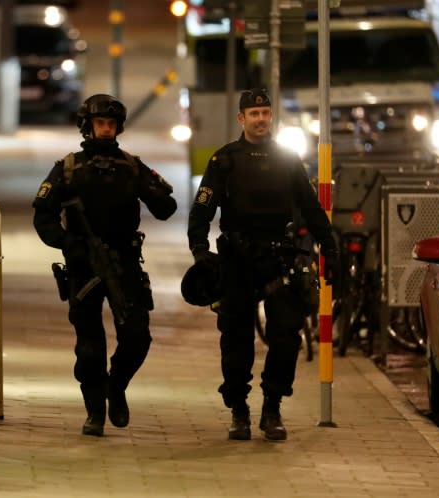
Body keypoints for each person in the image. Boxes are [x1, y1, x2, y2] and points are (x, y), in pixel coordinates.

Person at [186, 88, 338, 441]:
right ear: (241, 118)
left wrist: (328, 247)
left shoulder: (287, 159)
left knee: (286, 334)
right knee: (235, 339)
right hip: (237, 260)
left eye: (265, 113)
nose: (261, 119)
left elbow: (311, 207)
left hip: (279, 258)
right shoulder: (224, 160)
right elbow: (202, 210)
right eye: (253, 114)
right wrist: (199, 251)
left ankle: (272, 408)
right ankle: (239, 411)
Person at [32, 93, 178, 437]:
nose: (106, 130)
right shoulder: (68, 168)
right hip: (83, 266)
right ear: (88, 126)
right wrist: (69, 243)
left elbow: (166, 208)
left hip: (125, 262)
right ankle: (95, 410)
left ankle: (117, 385)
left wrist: (155, 193)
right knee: (89, 346)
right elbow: (43, 216)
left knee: (137, 336)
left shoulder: (131, 166)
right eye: (100, 123)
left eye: (112, 124)